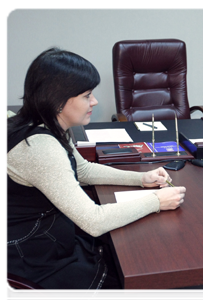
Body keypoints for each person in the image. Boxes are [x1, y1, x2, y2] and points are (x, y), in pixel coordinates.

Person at [5, 48, 186, 300]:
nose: (95, 102)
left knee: (120, 256)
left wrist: (140, 179)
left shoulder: (41, 122)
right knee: (125, 277)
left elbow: (82, 170)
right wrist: (156, 201)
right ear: (58, 99)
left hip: (44, 239)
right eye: (87, 95)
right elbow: (94, 221)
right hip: (32, 261)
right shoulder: (39, 148)